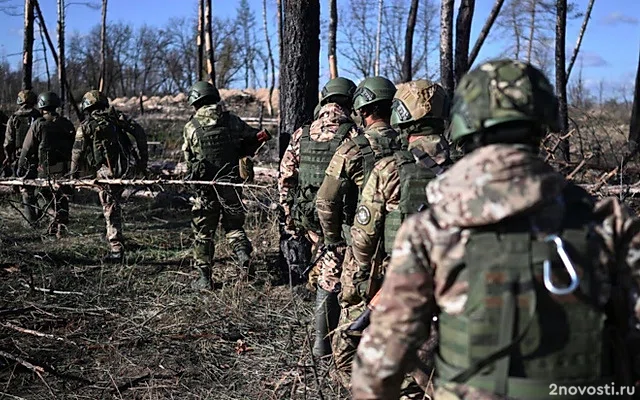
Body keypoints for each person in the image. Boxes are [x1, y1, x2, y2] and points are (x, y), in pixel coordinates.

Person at [351, 59, 640, 399]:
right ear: (544, 122)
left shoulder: (431, 229)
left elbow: (381, 363)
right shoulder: (608, 220)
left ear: (463, 125)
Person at [331, 80, 453, 392]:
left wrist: (355, 294)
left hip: (396, 288)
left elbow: (363, 242)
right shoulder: (468, 169)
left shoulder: (389, 170)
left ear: (401, 116)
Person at [314, 76, 402, 357]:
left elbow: (326, 200)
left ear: (363, 110)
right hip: (402, 243)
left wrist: (332, 240)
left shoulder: (352, 148)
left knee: (338, 289)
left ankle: (326, 350)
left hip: (360, 241)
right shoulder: (409, 145)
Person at [183, 81, 271, 290]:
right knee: (234, 227)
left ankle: (204, 279)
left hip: (205, 188)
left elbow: (189, 160)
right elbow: (254, 137)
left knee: (203, 233)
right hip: (231, 184)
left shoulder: (191, 127)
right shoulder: (232, 121)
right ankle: (243, 256)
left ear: (195, 102)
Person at [278, 77, 360, 291]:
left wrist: (289, 217)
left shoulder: (301, 134)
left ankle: (314, 288)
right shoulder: (353, 135)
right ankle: (325, 317)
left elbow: (286, 178)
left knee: (320, 252)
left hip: (306, 214)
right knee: (334, 271)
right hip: (338, 218)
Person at [70, 90, 139, 263]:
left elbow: (77, 153)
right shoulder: (117, 120)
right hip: (123, 168)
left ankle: (116, 248)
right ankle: (112, 235)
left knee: (110, 208)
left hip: (106, 171)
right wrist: (142, 162)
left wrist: (73, 174)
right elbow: (139, 134)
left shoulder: (87, 125)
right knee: (112, 205)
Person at [17, 91, 75, 236]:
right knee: (61, 195)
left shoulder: (38, 124)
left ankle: (52, 214)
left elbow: (27, 148)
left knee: (40, 194)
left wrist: (20, 166)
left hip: (45, 167)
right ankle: (61, 226)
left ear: (42, 105)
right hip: (64, 167)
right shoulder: (67, 123)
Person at [4, 90, 41, 221]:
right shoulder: (40, 117)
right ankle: (45, 216)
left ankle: (32, 222)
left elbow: (8, 142)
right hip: (39, 158)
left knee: (26, 189)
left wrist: (8, 157)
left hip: (21, 158)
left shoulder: (13, 118)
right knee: (42, 188)